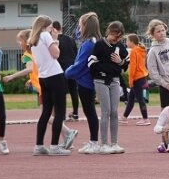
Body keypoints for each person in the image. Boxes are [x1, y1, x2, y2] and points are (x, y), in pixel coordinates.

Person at [3, 29, 77, 150]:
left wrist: (12, 76)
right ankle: (67, 138)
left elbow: (30, 69)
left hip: (44, 86)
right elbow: (38, 67)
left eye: (19, 41)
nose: (18, 43)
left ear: (26, 41)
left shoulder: (27, 55)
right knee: (53, 114)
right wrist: (31, 79)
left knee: (48, 116)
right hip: (46, 81)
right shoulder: (37, 49)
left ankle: (68, 132)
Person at [28, 15, 71, 156]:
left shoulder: (32, 40)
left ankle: (39, 145)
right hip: (55, 74)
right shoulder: (46, 35)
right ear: (47, 26)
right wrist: (55, 39)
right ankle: (54, 146)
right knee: (59, 111)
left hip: (43, 77)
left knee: (46, 112)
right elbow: (56, 54)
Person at [88, 21, 129, 154]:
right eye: (113, 35)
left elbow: (125, 65)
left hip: (115, 81)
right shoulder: (100, 44)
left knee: (114, 112)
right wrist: (108, 69)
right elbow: (91, 63)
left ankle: (114, 143)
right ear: (108, 32)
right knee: (106, 111)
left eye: (118, 37)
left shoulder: (120, 47)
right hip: (100, 80)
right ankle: (104, 143)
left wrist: (120, 61)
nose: (115, 39)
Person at [64, 12, 102, 154]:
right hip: (88, 81)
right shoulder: (94, 41)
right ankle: (93, 141)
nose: (78, 28)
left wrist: (67, 73)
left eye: (80, 25)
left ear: (86, 26)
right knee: (90, 111)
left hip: (86, 82)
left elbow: (80, 65)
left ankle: (94, 142)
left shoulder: (87, 44)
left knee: (90, 111)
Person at [146, 19, 169, 108]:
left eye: (163, 30)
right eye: (158, 31)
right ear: (153, 34)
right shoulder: (153, 51)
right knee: (165, 110)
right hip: (164, 84)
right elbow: (153, 72)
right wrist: (166, 85)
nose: (162, 33)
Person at [53, 20, 80, 121]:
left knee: (62, 92)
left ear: (54, 29)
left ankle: (62, 115)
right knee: (74, 91)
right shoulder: (71, 39)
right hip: (73, 68)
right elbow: (76, 53)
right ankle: (75, 113)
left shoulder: (55, 41)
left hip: (61, 69)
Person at [122, 33, 151, 126]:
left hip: (137, 78)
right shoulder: (141, 50)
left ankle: (145, 118)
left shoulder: (134, 51)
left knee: (140, 99)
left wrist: (131, 81)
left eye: (127, 41)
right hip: (142, 76)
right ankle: (124, 117)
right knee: (131, 99)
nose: (126, 43)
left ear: (131, 42)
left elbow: (133, 67)